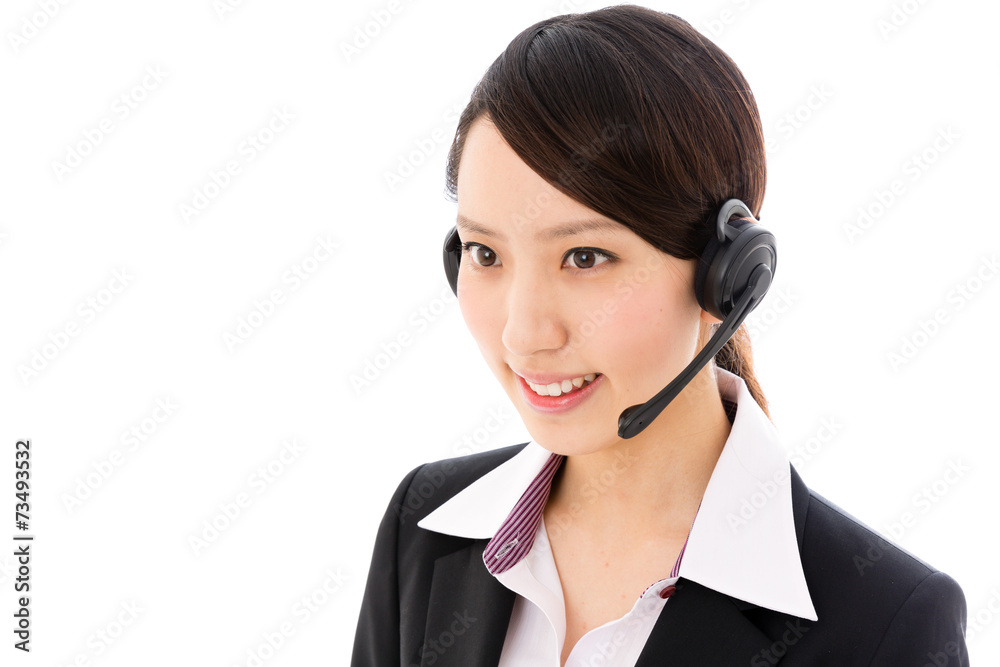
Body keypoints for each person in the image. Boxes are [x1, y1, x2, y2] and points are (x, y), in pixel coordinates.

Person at [351, 5, 969, 666]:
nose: (523, 334)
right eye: (485, 253)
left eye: (584, 257)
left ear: (726, 279)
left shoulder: (884, 624)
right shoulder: (423, 527)